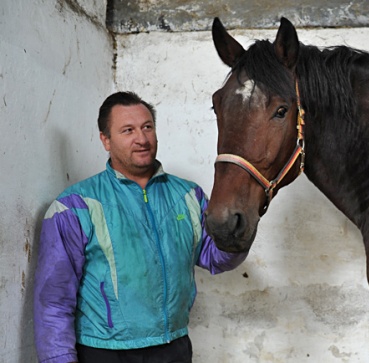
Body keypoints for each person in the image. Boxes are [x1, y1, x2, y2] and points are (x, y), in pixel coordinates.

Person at [33, 91, 248, 363]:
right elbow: (53, 301)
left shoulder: (188, 196)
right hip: (104, 353)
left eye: (147, 127)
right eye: (128, 130)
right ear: (106, 140)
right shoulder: (75, 206)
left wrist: (242, 229)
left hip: (174, 347)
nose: (142, 139)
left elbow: (215, 257)